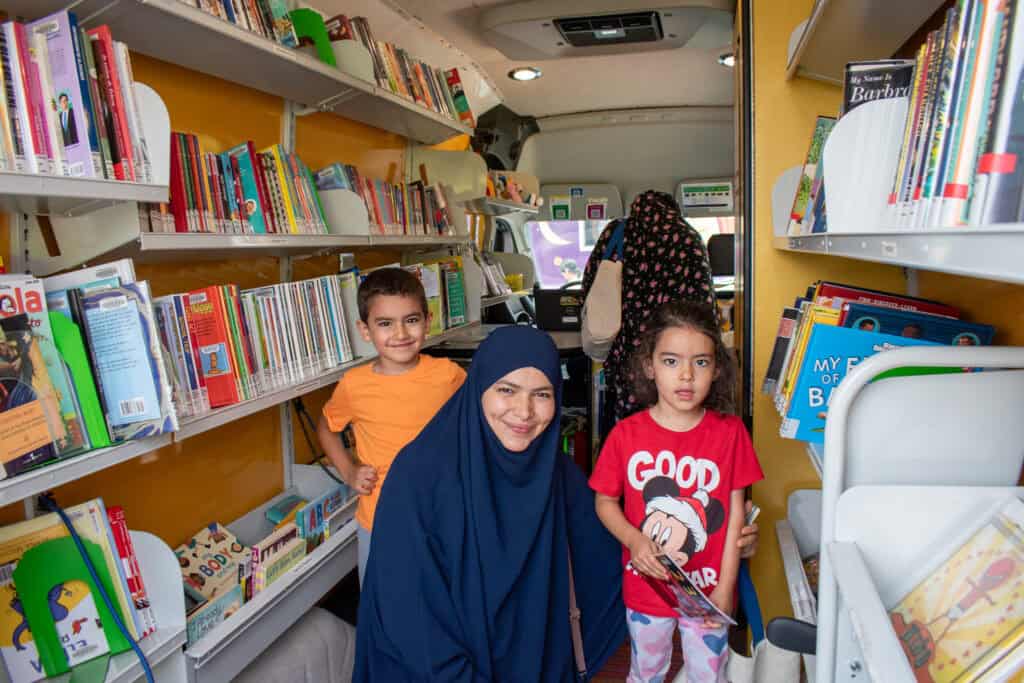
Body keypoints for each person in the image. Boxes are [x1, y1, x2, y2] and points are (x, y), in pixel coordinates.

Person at [354, 326, 626, 681]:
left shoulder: (556, 472)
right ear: (479, 387)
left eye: (541, 394)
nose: (524, 411)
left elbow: (608, 560)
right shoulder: (420, 475)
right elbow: (407, 613)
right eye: (507, 390)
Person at [589, 300, 764, 682]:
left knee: (708, 676)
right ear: (649, 366)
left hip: (709, 594)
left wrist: (725, 589)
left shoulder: (730, 432)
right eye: (671, 361)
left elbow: (736, 513)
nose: (686, 375)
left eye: (700, 362)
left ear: (717, 369)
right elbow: (604, 501)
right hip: (646, 589)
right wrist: (635, 541)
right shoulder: (625, 435)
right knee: (646, 673)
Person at [317, 268, 465, 584]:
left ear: (428, 320)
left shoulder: (449, 376)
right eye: (385, 323)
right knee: (381, 605)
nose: (400, 333)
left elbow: (476, 427)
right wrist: (349, 471)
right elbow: (327, 427)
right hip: (379, 519)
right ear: (365, 330)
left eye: (411, 320)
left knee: (444, 601)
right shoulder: (354, 385)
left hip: (443, 517)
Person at [580, 190, 716, 428]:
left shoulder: (617, 233)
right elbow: (705, 308)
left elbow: (589, 287)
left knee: (631, 421)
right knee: (676, 414)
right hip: (676, 351)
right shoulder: (688, 237)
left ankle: (633, 456)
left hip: (627, 349)